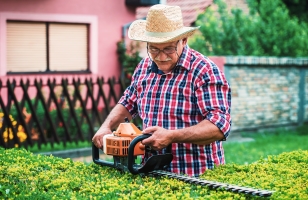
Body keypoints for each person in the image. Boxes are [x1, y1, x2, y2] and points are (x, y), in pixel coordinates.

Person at [92, 4, 231, 177]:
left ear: (184, 41)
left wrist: (172, 136)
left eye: (168, 49)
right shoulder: (143, 67)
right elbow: (128, 102)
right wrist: (105, 127)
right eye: (154, 49)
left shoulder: (204, 71)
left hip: (197, 175)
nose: (161, 56)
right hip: (151, 173)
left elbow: (219, 126)